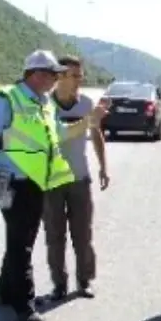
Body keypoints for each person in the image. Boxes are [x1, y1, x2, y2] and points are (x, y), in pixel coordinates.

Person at [0, 50, 107, 321]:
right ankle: (24, 306)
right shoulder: (5, 98)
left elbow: (61, 134)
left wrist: (89, 121)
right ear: (38, 74)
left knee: (18, 240)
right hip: (11, 180)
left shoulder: (43, 103)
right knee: (23, 243)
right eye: (54, 75)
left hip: (35, 181)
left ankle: (6, 294)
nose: (57, 80)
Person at [42, 55, 110, 301]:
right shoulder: (45, 106)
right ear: (59, 77)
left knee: (83, 235)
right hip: (51, 182)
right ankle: (59, 284)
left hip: (80, 178)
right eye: (74, 75)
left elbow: (97, 134)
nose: (80, 80)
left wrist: (103, 166)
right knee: (54, 236)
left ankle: (84, 281)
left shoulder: (87, 103)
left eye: (81, 75)